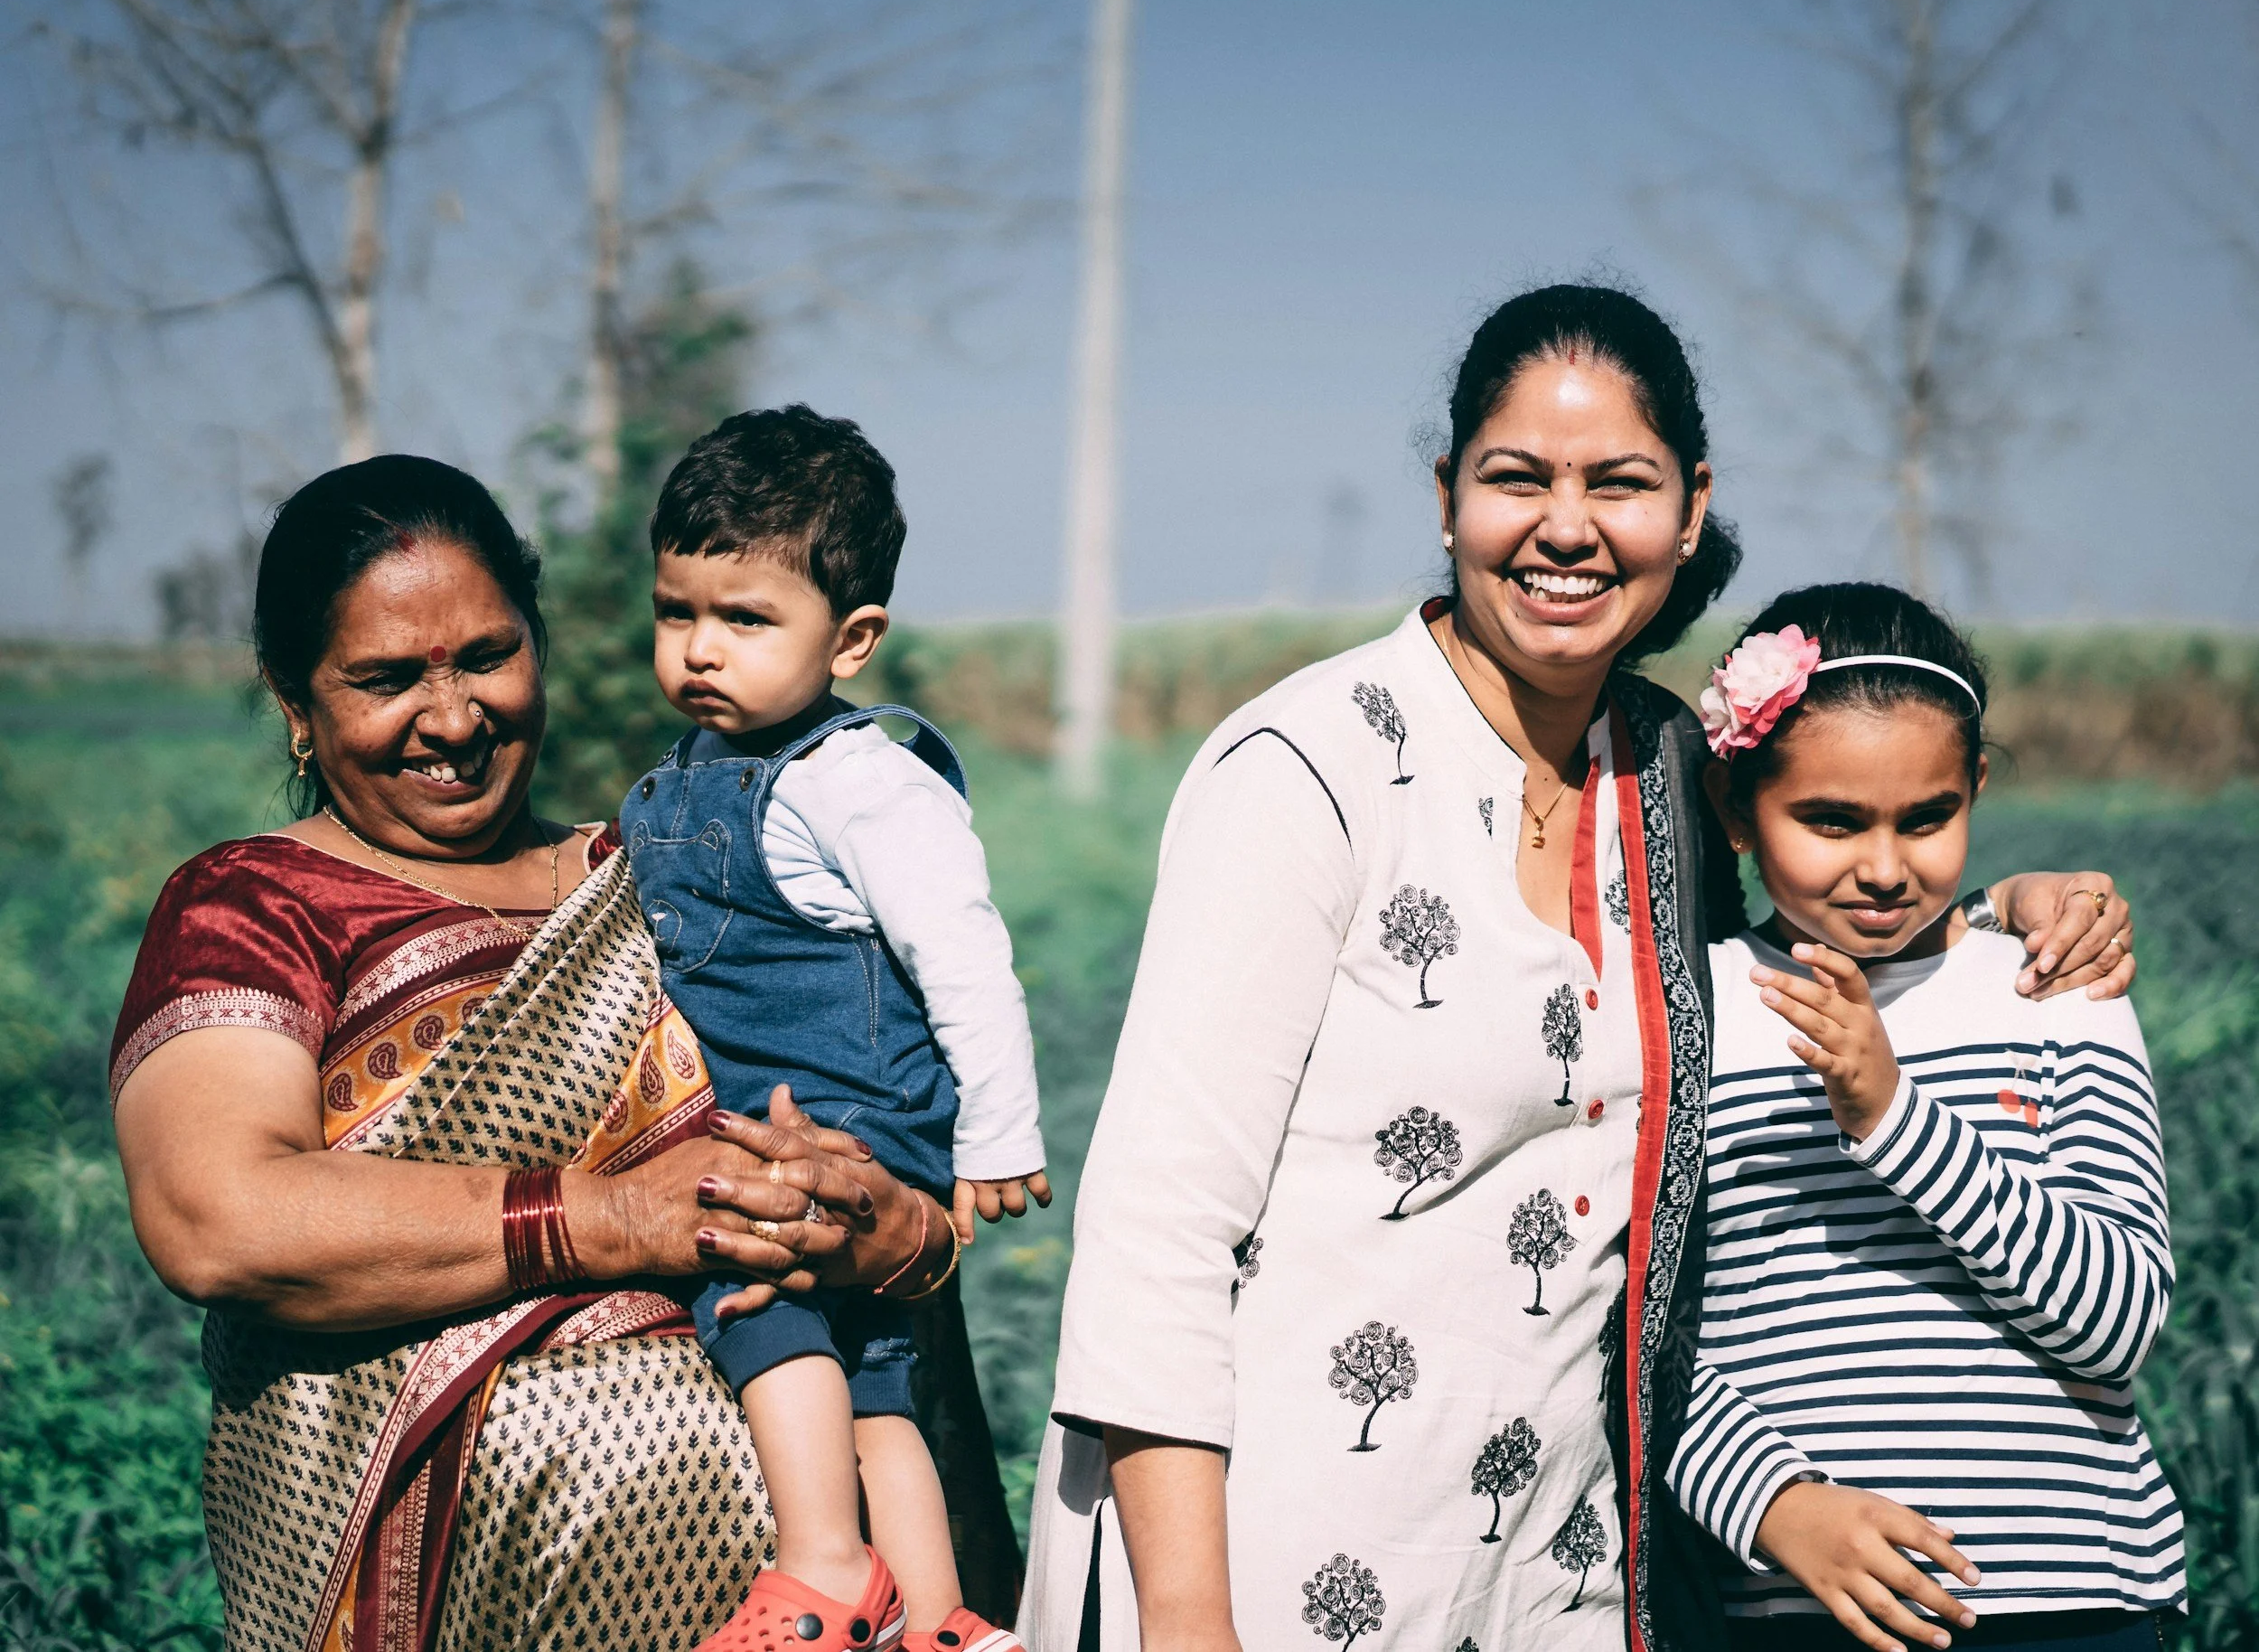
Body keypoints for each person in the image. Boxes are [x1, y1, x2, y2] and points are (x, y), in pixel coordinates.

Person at [1018, 284, 2141, 1652]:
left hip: (1551, 1575)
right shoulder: (1309, 768)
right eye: (1516, 478)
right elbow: (1157, 1229)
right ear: (1447, 498)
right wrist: (1190, 1621)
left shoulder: (1671, 771)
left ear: (1687, 503)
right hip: (1262, 1556)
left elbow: (1819, 930)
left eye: (1618, 480)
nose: (1566, 525)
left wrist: (2015, 903)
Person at [108, 455, 1017, 1652]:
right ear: (295, 700)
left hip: (819, 1597)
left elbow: (899, 1141)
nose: (452, 716)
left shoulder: (676, 875)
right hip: (430, 1592)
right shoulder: (255, 904)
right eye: (386, 678)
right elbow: (218, 1215)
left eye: (488, 656)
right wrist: (620, 1219)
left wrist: (892, 1233)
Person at [1667, 585, 2182, 1652]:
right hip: (1797, 1607)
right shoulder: (1687, 1015)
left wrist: (1892, 1115)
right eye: (1830, 821)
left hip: (2066, 1601)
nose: (1885, 867)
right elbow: (1629, 1336)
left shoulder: (2056, 989)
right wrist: (1770, 1503)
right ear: (1734, 805)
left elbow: (2118, 1327)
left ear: (1975, 788)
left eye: (1927, 816)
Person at [619, 407, 1047, 1652]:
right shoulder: (696, 764)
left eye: (746, 619)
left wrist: (998, 1133)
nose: (701, 648)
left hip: (846, 1108)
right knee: (877, 1376)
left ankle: (819, 1568)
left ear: (852, 640)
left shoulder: (864, 780)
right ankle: (937, 1613)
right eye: (677, 611)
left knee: (756, 1286)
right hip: (798, 1098)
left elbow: (965, 955)